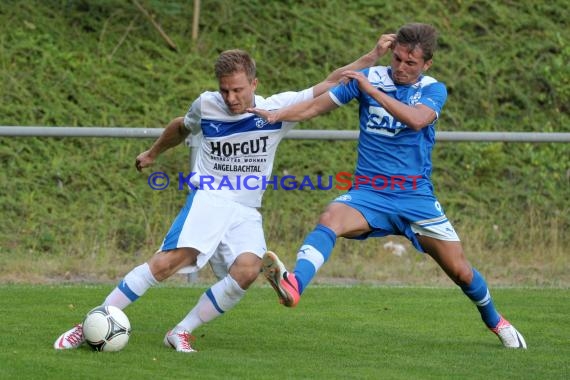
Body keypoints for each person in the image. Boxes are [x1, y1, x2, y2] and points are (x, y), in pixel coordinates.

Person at [53, 39, 395, 353]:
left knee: (247, 271)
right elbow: (180, 126)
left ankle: (180, 331)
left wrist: (373, 57)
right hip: (210, 197)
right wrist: (153, 152)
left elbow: (331, 81)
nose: (231, 98)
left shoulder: (277, 110)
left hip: (247, 208)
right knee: (166, 263)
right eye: (225, 90)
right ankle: (87, 325)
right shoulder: (207, 104)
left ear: (254, 85)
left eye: (238, 90)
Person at [247, 23, 527, 349]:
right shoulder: (371, 78)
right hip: (369, 192)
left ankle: (496, 320)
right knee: (330, 218)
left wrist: (372, 90)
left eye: (411, 63)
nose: (402, 68)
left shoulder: (433, 90)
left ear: (427, 65)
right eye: (397, 60)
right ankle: (294, 285)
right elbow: (313, 106)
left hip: (415, 197)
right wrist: (274, 115)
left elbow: (416, 120)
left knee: (461, 272)